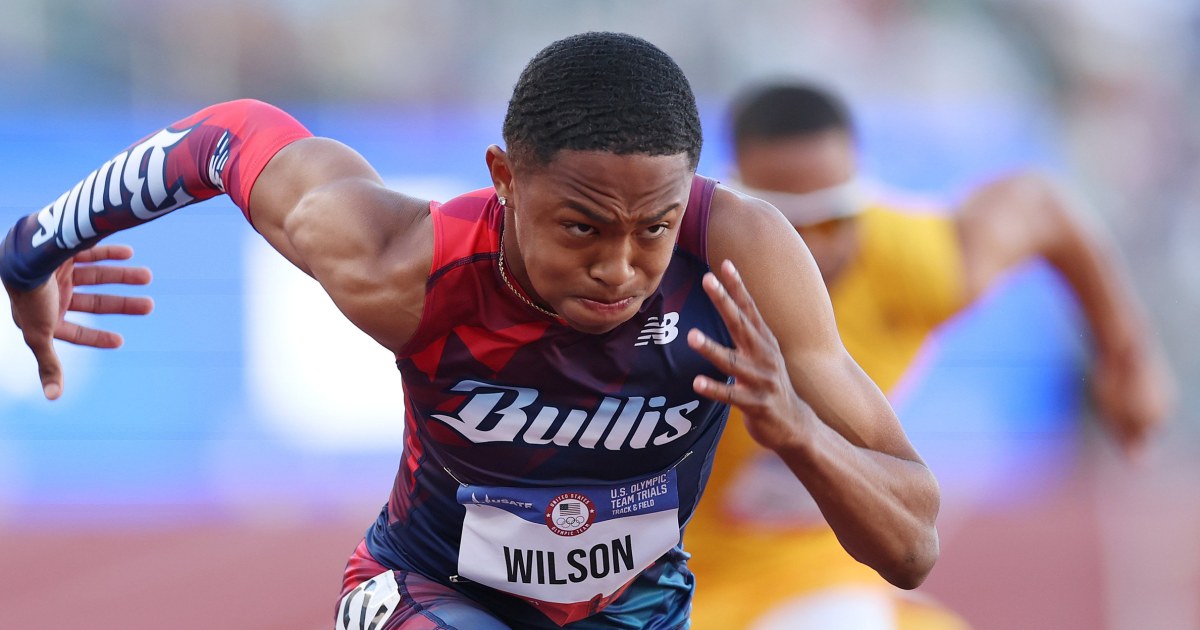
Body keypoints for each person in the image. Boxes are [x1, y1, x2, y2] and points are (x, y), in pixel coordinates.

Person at [0, 34, 942, 630]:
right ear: (504, 175)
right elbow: (223, 139)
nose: (618, 268)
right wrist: (34, 250)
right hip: (431, 592)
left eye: (651, 228)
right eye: (581, 227)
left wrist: (800, 433)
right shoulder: (402, 264)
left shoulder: (742, 259)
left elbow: (912, 545)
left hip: (637, 608)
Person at [684, 82, 1177, 629]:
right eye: (783, 223)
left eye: (831, 220)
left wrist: (1127, 356)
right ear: (737, 207)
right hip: (669, 583)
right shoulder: (678, 280)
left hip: (816, 578)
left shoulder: (907, 261)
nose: (809, 249)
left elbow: (1041, 206)